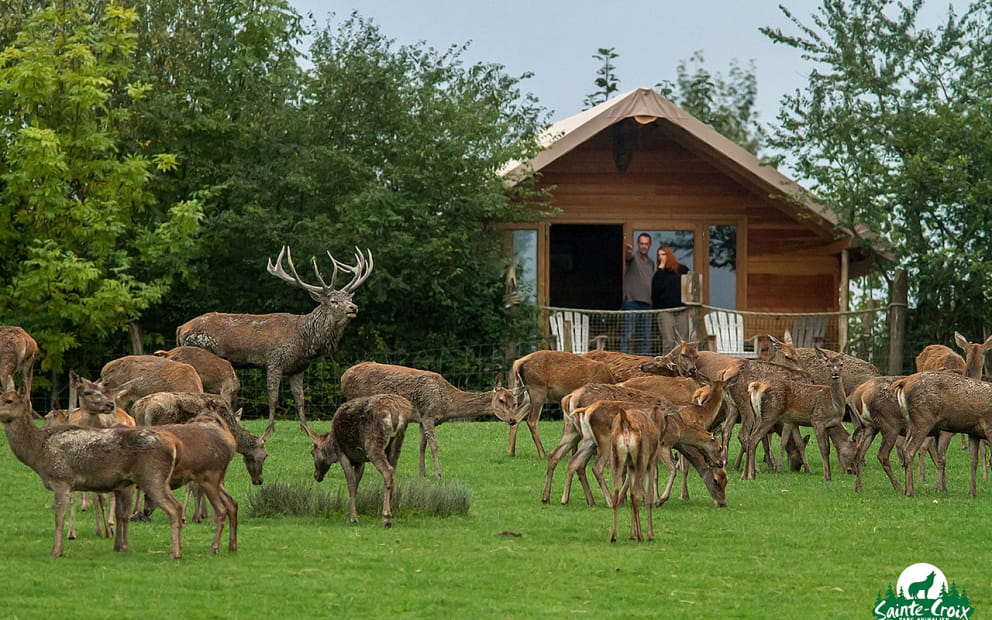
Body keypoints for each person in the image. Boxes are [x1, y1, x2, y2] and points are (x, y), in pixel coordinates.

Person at [620, 233, 655, 355]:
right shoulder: (634, 257)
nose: (644, 246)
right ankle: (623, 361)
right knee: (628, 336)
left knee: (645, 338)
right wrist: (628, 252)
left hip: (647, 304)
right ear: (637, 244)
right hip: (632, 302)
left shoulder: (651, 263)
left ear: (650, 245)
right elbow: (628, 257)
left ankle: (644, 363)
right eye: (641, 244)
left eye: (646, 244)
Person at [652, 245, 690, 354]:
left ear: (669, 255)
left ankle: (679, 367)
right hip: (665, 311)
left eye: (663, 254)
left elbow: (691, 286)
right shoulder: (658, 274)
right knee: (668, 341)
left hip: (681, 310)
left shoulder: (682, 269)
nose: (661, 257)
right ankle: (667, 366)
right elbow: (655, 294)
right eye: (658, 255)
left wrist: (691, 305)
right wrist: (660, 270)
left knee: (681, 342)